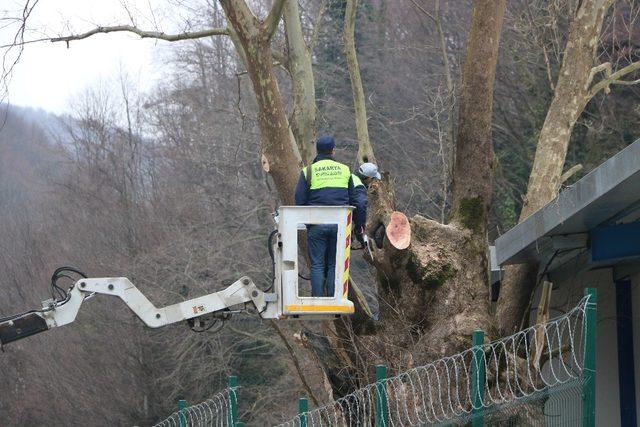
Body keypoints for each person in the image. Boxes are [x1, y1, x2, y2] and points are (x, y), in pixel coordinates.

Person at [294, 135, 367, 297]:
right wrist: (358, 227)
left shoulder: (308, 171)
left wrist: (309, 223)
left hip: (317, 223)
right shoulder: (345, 170)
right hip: (340, 225)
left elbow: (300, 200)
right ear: (333, 151)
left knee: (318, 265)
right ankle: (334, 298)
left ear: (317, 150)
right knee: (335, 264)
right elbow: (354, 199)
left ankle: (317, 299)